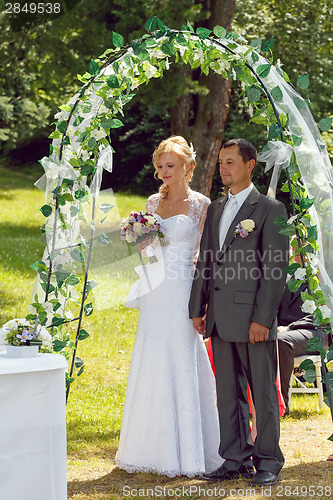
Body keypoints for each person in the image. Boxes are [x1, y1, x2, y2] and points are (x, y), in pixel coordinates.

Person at [115, 136, 224, 477]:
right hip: (155, 288)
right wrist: (138, 237)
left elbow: (205, 254)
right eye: (160, 165)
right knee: (152, 355)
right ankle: (149, 446)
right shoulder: (150, 202)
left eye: (170, 165)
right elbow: (148, 250)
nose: (163, 171)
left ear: (188, 168)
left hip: (183, 288)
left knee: (181, 354)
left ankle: (190, 450)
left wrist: (202, 295)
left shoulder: (201, 204)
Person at [189, 138, 289, 486]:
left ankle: (268, 461)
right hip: (218, 316)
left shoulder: (270, 209)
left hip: (252, 319)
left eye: (231, 162)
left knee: (262, 392)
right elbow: (206, 260)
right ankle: (234, 458)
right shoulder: (216, 208)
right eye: (220, 163)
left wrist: (263, 319)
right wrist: (198, 307)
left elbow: (275, 270)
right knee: (227, 394)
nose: (224, 168)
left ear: (250, 165)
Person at [278, 281, 328, 415]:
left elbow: (322, 314)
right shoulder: (286, 278)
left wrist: (290, 327)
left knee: (281, 341)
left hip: (314, 330)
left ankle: (281, 406)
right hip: (283, 331)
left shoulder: (318, 279)